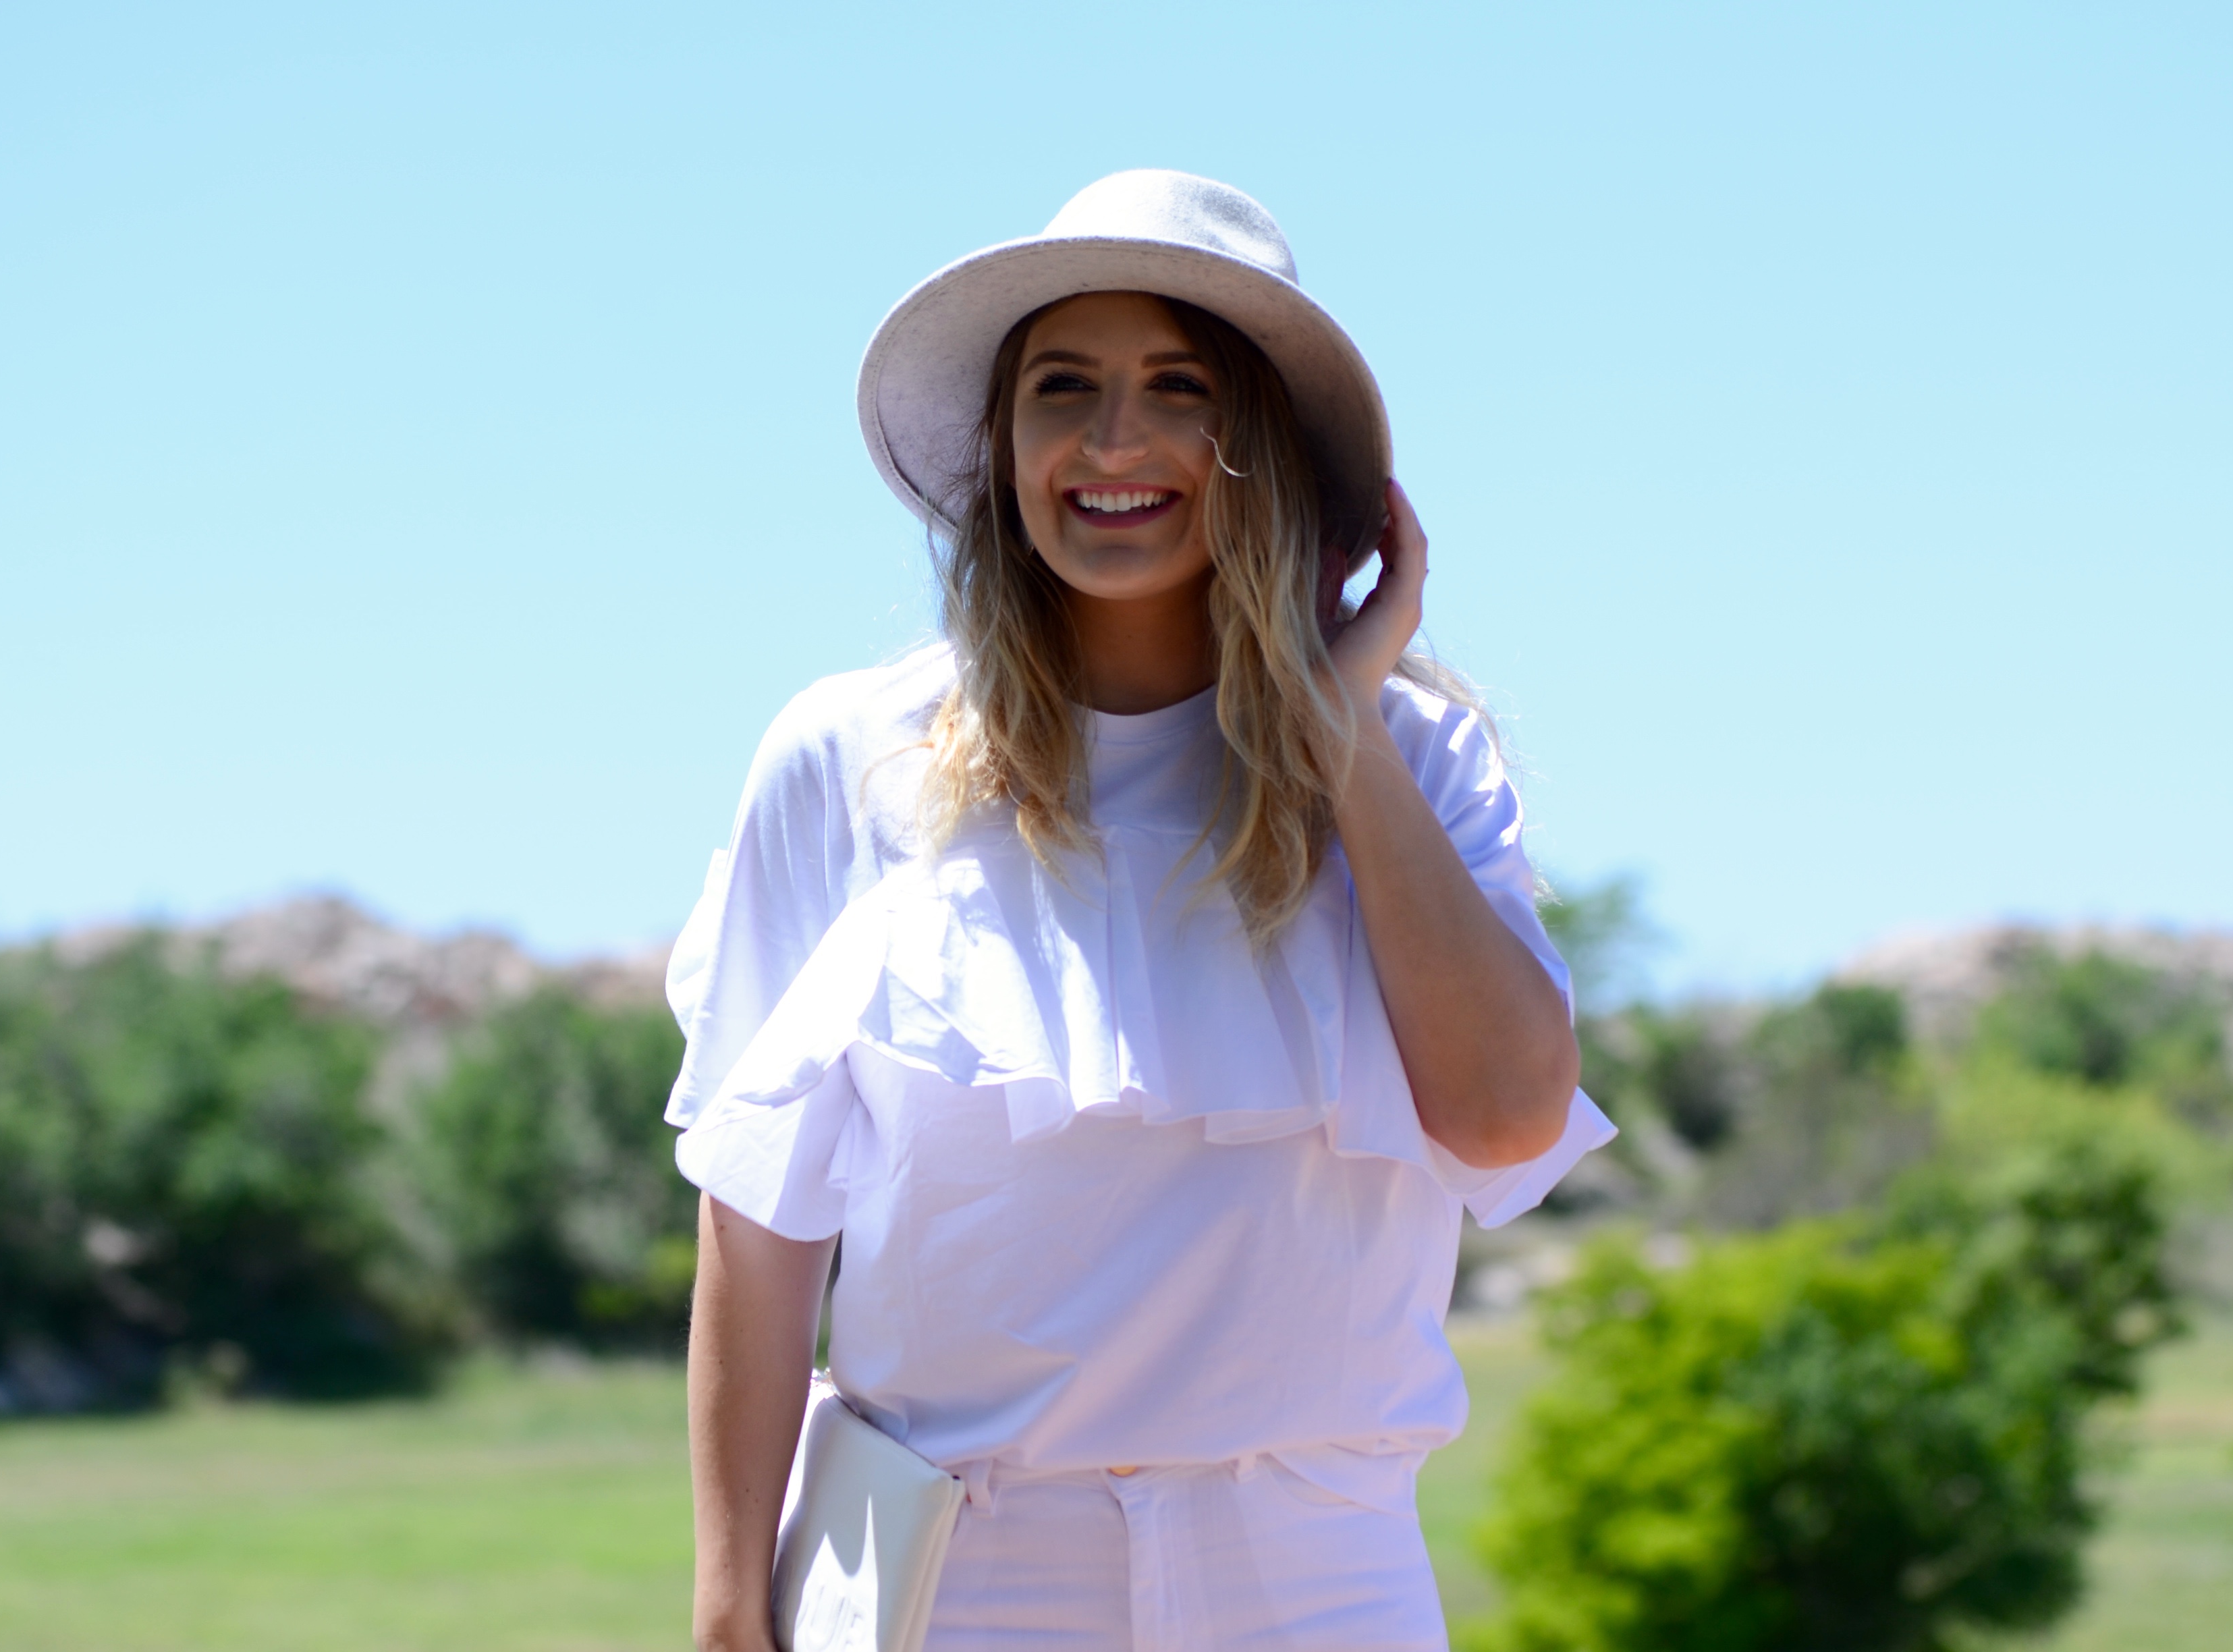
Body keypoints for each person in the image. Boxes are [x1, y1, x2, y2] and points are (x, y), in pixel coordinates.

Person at [665, 170, 1618, 1652]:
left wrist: (1340, 727)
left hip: (1319, 1586)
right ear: (1004, 442)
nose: (1114, 443)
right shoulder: (844, 757)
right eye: (1065, 389)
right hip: (949, 1586)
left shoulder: (1419, 760)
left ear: (1266, 452)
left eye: (1179, 387)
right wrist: (732, 1609)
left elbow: (1502, 1117)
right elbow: (759, 1220)